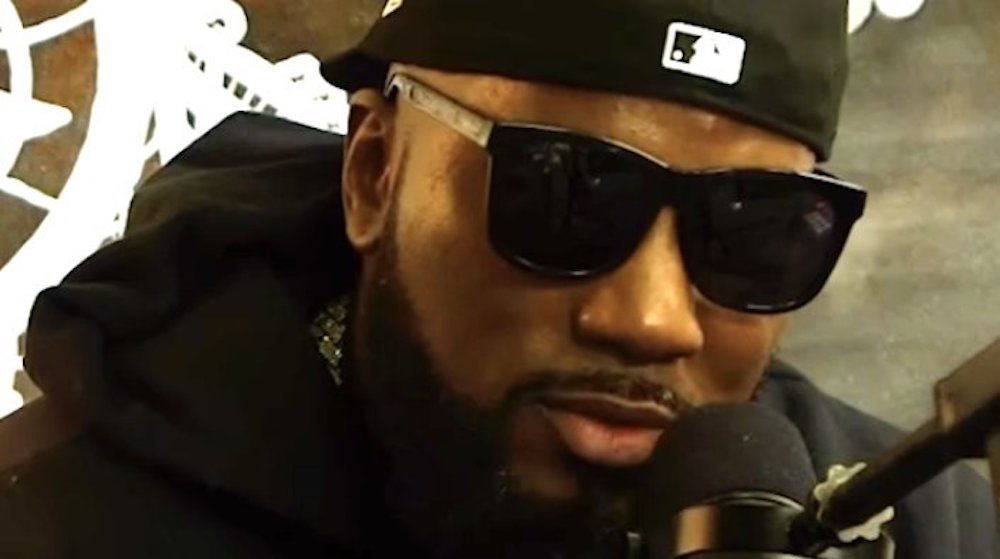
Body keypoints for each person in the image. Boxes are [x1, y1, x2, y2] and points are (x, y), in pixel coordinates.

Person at [0, 0, 995, 558]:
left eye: (756, 231)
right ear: (374, 174)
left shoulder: (926, 528)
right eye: (563, 194)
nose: (653, 319)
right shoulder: (58, 518)